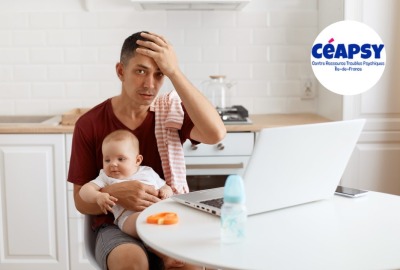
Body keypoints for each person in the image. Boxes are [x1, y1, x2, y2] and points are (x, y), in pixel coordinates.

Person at [67, 30, 226, 270]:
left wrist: (174, 71)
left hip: (165, 216)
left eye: (159, 74)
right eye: (140, 71)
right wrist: (117, 194)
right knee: (132, 262)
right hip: (114, 224)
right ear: (121, 71)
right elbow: (81, 202)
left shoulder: (170, 113)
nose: (150, 84)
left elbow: (216, 133)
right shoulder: (90, 124)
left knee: (190, 266)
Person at [79, 129, 184, 269]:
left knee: (175, 226)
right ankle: (165, 256)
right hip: (128, 219)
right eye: (107, 159)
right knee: (146, 223)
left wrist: (166, 191)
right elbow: (84, 191)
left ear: (137, 160)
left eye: (120, 159)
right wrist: (98, 196)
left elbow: (165, 186)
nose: (113, 164)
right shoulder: (106, 177)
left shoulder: (148, 172)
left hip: (159, 216)